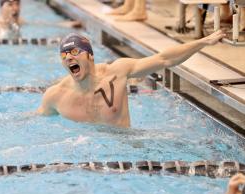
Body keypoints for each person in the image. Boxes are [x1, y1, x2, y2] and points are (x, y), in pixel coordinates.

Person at [37, 30, 225, 128]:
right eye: (64, 55)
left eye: (75, 52)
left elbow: (164, 59)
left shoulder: (117, 72)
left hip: (126, 149)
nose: (69, 57)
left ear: (90, 56)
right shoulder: (55, 96)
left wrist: (202, 42)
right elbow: (36, 122)